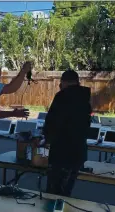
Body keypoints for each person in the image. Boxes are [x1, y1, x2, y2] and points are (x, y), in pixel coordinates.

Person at [43, 69, 92, 197]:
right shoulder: (85, 98)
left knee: (53, 194)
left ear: (63, 82)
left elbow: (52, 123)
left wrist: (46, 138)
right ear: (77, 82)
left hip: (61, 153)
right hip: (78, 153)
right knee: (66, 192)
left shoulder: (62, 97)